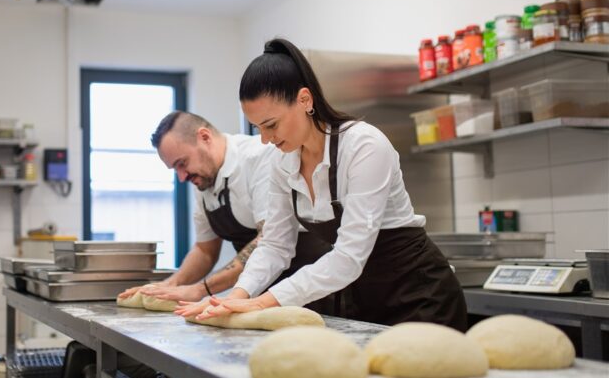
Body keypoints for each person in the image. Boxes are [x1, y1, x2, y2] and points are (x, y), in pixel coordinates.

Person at [175, 38, 467, 331]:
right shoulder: (282, 162)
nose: (265, 139)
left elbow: (349, 256)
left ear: (305, 100)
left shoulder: (364, 146)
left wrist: (262, 302)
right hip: (363, 300)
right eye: (257, 128)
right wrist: (234, 298)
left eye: (271, 125)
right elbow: (275, 245)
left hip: (420, 296)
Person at [119, 111, 333, 313]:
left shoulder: (258, 158)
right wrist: (167, 286)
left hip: (308, 287)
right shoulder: (203, 180)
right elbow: (205, 251)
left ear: (204, 137)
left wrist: (201, 289)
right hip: (256, 290)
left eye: (182, 164)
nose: (182, 177)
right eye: (175, 169)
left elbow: (268, 239)